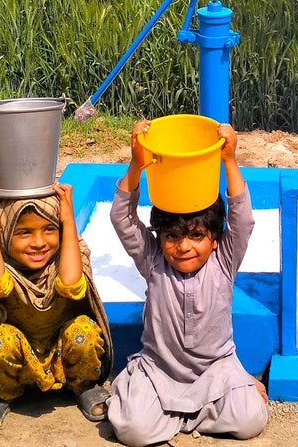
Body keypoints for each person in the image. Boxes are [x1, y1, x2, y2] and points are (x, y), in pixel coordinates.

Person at [106, 120, 268, 447]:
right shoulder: (153, 262)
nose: (183, 247)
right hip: (159, 372)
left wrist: (230, 160)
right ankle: (174, 409)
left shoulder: (224, 263)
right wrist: (137, 164)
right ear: (160, 238)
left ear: (215, 240)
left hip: (215, 371)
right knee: (131, 430)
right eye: (172, 237)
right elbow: (122, 219)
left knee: (250, 419)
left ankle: (177, 415)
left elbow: (243, 219)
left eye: (196, 236)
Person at [0, 183, 112, 436]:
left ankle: (82, 385)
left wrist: (67, 220)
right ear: (4, 233)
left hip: (61, 354)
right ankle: (5, 392)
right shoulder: (0, 265)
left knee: (84, 331)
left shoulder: (72, 253)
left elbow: (71, 286)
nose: (39, 242)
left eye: (49, 229)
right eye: (23, 232)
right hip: (19, 357)